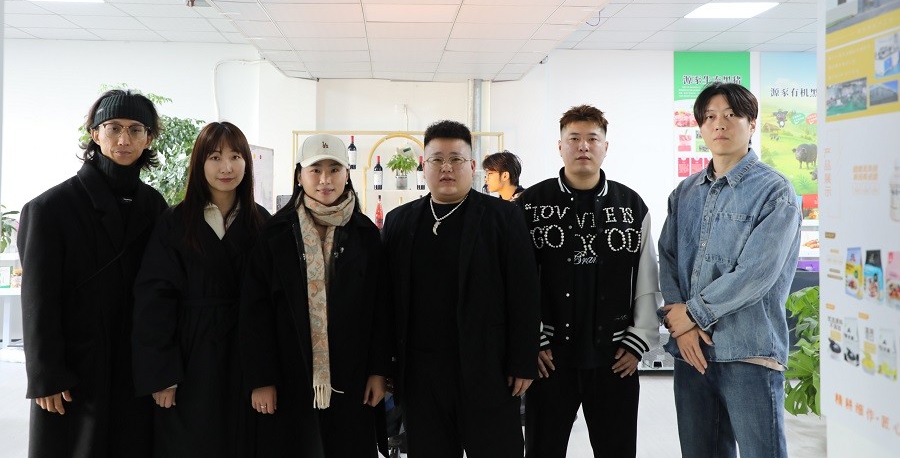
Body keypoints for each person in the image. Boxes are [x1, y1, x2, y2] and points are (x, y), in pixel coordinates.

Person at [17, 89, 168, 458]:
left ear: (149, 139)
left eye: (135, 129)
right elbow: (38, 299)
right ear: (94, 133)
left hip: (135, 367)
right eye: (113, 128)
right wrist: (46, 375)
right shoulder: (50, 208)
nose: (124, 140)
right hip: (74, 371)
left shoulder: (155, 207)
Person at [658, 83, 801, 458]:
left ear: (752, 124)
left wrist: (691, 314)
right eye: (709, 117)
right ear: (701, 128)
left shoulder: (775, 191)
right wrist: (682, 326)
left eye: (731, 115)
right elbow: (668, 258)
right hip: (692, 353)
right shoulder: (685, 192)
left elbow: (756, 273)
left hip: (748, 352)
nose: (719, 124)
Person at [381, 120, 540, 458]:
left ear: (471, 165)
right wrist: (387, 364)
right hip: (421, 376)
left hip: (489, 369)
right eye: (437, 159)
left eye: (456, 159)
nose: (446, 168)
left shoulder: (503, 217)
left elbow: (524, 292)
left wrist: (523, 360)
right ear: (424, 166)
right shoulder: (399, 221)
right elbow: (386, 300)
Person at [519, 104, 661, 458]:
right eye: (574, 138)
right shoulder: (529, 205)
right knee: (542, 449)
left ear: (605, 147)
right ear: (560, 146)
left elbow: (647, 277)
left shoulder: (631, 205)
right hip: (549, 357)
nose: (583, 146)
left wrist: (639, 340)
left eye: (592, 139)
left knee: (617, 449)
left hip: (615, 355)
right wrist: (530, 339)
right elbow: (516, 280)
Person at [240, 134, 391, 457]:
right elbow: (255, 311)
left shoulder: (366, 234)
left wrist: (378, 371)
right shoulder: (275, 234)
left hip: (352, 376)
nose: (325, 179)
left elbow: (381, 308)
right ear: (299, 176)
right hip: (288, 375)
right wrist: (261, 379)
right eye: (315, 170)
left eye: (334, 169)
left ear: (347, 174)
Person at [132, 122, 270, 457]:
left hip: (246, 354)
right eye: (215, 157)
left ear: (247, 163)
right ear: (199, 163)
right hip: (190, 355)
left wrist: (266, 375)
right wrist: (162, 374)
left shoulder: (262, 223)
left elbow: (272, 305)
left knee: (243, 442)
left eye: (235, 156)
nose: (226, 167)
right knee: (190, 442)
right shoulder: (175, 221)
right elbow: (155, 299)